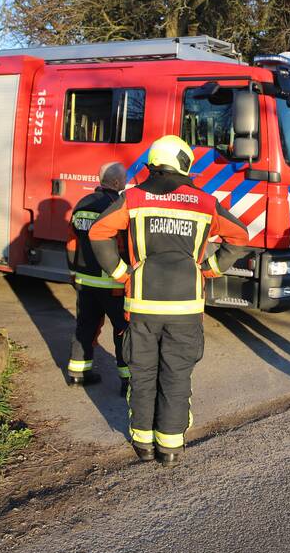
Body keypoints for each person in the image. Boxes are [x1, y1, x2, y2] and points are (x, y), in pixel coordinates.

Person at [89, 135, 250, 466]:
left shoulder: (133, 198)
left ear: (153, 164)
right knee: (177, 373)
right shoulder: (204, 202)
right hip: (186, 308)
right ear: (185, 164)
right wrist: (208, 268)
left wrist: (122, 273)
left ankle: (143, 443)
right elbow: (240, 237)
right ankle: (171, 448)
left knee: (143, 373)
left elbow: (98, 232)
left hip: (142, 306)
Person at [65, 162, 130, 394]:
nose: (125, 182)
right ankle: (127, 382)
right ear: (115, 183)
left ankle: (77, 373)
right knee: (123, 329)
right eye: (124, 179)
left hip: (84, 280)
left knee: (85, 325)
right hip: (112, 282)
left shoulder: (82, 204)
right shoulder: (116, 206)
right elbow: (122, 245)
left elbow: (72, 242)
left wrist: (72, 271)